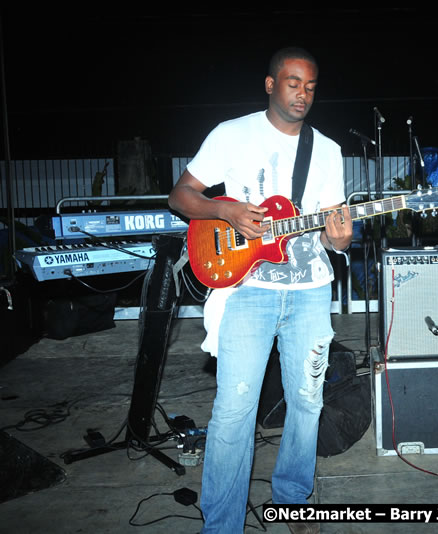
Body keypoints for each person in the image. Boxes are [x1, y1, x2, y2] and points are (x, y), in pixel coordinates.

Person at [168, 46, 352, 534]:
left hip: (310, 290)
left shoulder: (327, 150)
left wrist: (340, 240)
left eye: (310, 86)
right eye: (293, 83)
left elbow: (332, 231)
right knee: (234, 411)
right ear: (271, 85)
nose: (302, 94)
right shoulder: (232, 134)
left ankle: (293, 501)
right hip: (246, 289)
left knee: (307, 404)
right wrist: (225, 211)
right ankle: (221, 525)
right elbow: (180, 195)